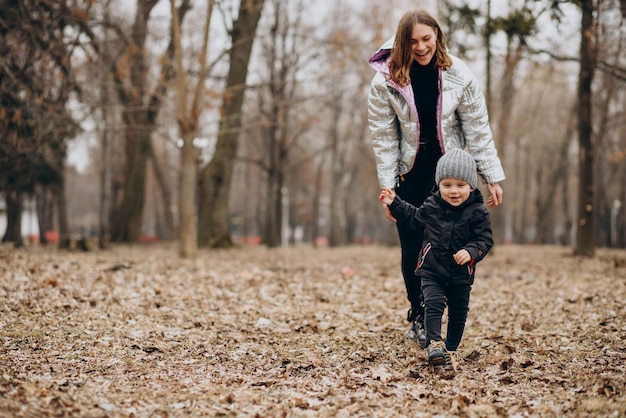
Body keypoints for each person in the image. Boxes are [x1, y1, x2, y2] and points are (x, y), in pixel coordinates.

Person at [367, 8, 505, 349]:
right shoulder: (385, 80)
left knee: (451, 245)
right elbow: (384, 137)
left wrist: (490, 176)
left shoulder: (458, 74)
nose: (421, 47)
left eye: (427, 39)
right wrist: (388, 186)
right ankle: (419, 313)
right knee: (412, 246)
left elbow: (477, 127)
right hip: (411, 173)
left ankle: (448, 313)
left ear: (437, 37)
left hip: (451, 175)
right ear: (403, 43)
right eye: (412, 41)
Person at [378, 149, 494, 377]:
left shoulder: (478, 212)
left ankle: (451, 347)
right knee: (433, 304)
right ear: (439, 185)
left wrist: (471, 252)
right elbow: (413, 217)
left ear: (471, 186)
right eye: (447, 185)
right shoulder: (431, 206)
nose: (453, 191)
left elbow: (484, 239)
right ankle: (434, 344)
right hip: (431, 270)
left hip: (461, 273)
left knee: (459, 311)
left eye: (460, 185)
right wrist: (395, 203)